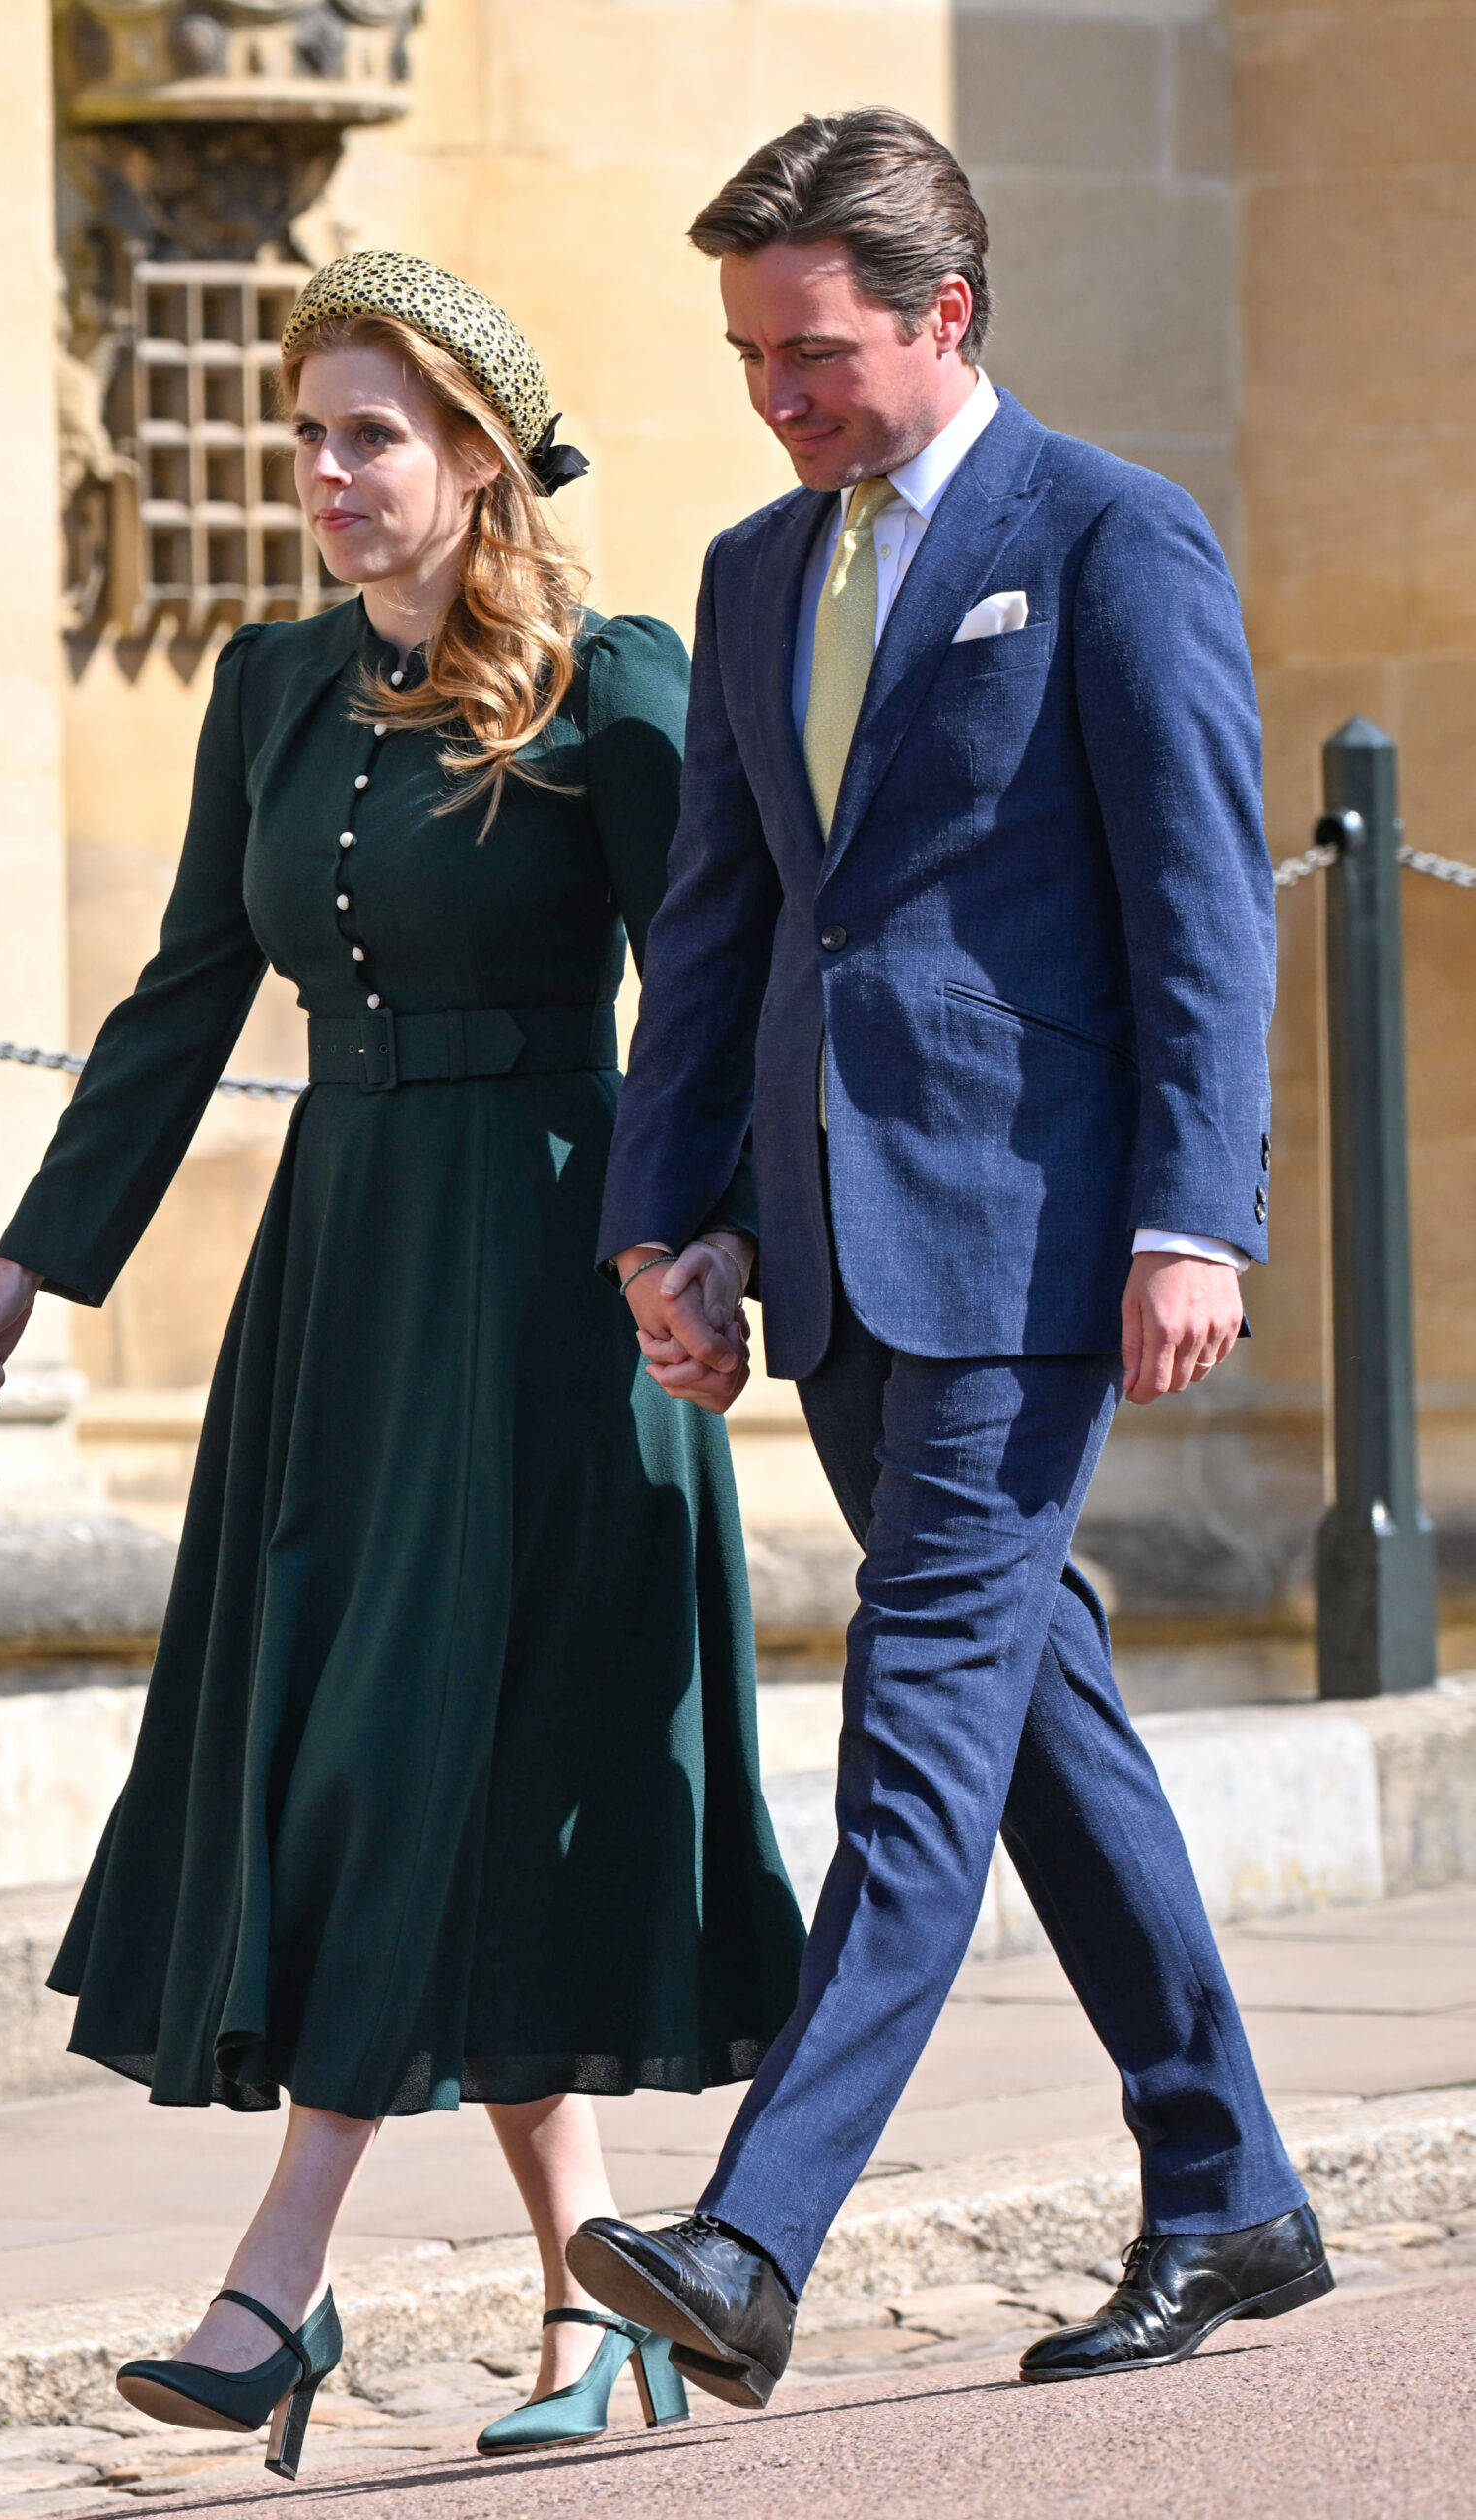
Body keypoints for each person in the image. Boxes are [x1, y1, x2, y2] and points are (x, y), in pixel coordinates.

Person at [0, 251, 803, 2479]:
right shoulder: (272, 685)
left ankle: (270, 2278)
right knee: (404, 1753)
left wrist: (717, 1245)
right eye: (304, 432)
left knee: (408, 1756)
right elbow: (183, 991)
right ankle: (583, 2299)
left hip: (546, 1278)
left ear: (477, 456)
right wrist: (31, 1267)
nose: (321, 472)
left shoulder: (612, 684)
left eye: (365, 435)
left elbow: (718, 989)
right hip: (339, 1278)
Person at [568, 110, 1333, 2406]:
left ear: (941, 316)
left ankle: (752, 2231)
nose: (773, 397)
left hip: (1027, 1249)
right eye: (746, 358)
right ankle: (1227, 2190)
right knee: (1031, 1725)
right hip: (822, 1243)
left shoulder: (1107, 534)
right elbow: (716, 922)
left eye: (808, 352)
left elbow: (1203, 909)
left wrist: (1193, 1211)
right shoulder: (741, 571)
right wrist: (664, 1217)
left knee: (909, 1739)